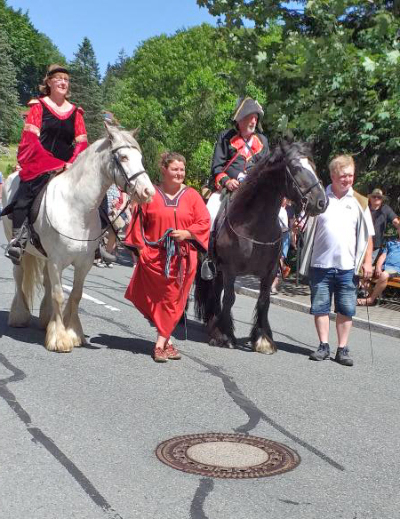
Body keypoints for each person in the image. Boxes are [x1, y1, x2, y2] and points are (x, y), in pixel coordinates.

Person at [124, 152, 210, 363]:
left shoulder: (192, 196)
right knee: (160, 301)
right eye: (175, 169)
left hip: (183, 258)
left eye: (182, 169)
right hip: (155, 257)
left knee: (174, 300)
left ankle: (160, 343)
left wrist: (187, 233)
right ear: (164, 170)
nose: (180, 173)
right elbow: (137, 223)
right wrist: (141, 250)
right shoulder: (150, 194)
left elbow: (204, 221)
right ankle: (167, 341)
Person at [4, 64, 87, 264]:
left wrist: (72, 163)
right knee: (25, 193)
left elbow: (82, 143)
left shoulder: (76, 112)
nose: (63, 82)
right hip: (40, 161)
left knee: (95, 194)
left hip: (69, 164)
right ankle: (18, 239)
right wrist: (52, 163)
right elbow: (30, 141)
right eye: (58, 78)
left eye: (66, 80)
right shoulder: (38, 107)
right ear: (48, 82)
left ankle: (98, 241)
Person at [300, 155, 374, 367]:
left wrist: (368, 262)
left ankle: (342, 349)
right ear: (333, 175)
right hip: (320, 264)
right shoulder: (320, 197)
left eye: (351, 175)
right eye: (343, 175)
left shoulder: (360, 201)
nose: (348, 179)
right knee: (320, 307)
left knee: (345, 309)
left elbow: (368, 236)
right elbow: (306, 225)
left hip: (347, 267)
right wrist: (298, 227)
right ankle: (323, 346)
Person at [202, 97, 269, 279]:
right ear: (240, 121)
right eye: (250, 117)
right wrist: (227, 181)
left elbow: (267, 169)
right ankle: (209, 257)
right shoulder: (225, 138)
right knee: (211, 213)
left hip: (255, 194)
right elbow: (217, 167)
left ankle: (272, 262)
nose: (254, 121)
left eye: (256, 118)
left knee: (280, 218)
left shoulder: (262, 141)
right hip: (229, 190)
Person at [357, 232, 400, 306]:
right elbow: (383, 256)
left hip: (396, 269)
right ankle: (370, 296)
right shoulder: (391, 242)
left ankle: (371, 300)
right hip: (384, 267)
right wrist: (378, 267)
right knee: (362, 271)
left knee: (384, 275)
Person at [368, 188, 400, 262]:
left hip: (377, 245)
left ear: (382, 199)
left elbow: (396, 221)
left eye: (379, 197)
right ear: (370, 198)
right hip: (362, 243)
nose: (376, 198)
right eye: (374, 196)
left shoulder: (385, 209)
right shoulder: (364, 208)